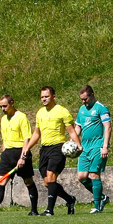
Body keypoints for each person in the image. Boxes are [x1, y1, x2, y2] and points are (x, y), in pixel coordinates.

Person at [20, 86, 80, 216]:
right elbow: (37, 133)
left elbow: (71, 131)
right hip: (44, 149)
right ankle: (70, 199)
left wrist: (78, 145)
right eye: (42, 97)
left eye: (46, 96)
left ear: (53, 96)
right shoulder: (40, 112)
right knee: (48, 182)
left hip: (58, 148)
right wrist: (27, 148)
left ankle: (49, 210)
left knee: (51, 176)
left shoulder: (62, 111)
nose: (44, 99)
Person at [0, 95, 40, 218]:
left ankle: (34, 210)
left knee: (28, 181)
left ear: (12, 103)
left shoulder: (21, 117)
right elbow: (4, 139)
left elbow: (27, 138)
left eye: (5, 106)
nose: (3, 109)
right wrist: (3, 153)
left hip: (20, 152)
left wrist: (23, 157)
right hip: (7, 155)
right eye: (1, 106)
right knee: (0, 181)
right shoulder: (3, 119)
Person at [74, 85, 111, 214]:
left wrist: (105, 146)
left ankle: (97, 206)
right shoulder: (81, 110)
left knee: (94, 174)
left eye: (85, 99)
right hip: (85, 147)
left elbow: (107, 127)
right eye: (82, 99)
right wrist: (73, 142)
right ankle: (102, 197)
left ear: (92, 95)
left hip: (98, 146)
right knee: (81, 176)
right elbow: (78, 127)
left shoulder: (101, 108)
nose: (84, 102)